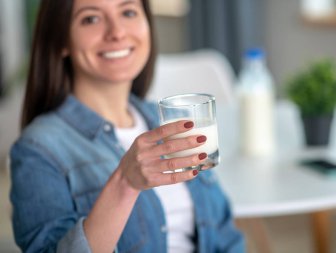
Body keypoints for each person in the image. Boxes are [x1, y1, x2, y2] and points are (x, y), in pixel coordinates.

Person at [9, 0, 245, 252]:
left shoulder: (166, 121)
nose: (117, 32)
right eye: (91, 19)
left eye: (128, 12)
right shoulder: (38, 149)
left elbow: (225, 237)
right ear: (61, 40)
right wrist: (124, 184)